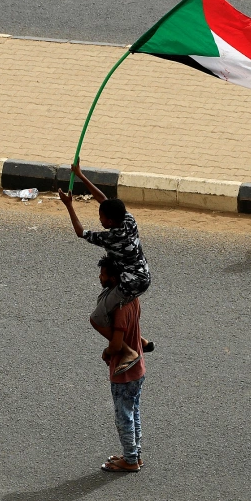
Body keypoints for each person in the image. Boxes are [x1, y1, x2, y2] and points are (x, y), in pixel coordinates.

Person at [59, 160, 153, 376]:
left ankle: (128, 351)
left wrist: (69, 205)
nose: (99, 219)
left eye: (101, 217)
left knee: (97, 317)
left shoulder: (111, 237)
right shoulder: (129, 220)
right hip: (144, 275)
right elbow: (104, 200)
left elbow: (80, 232)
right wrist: (81, 175)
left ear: (110, 222)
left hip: (130, 284)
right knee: (103, 299)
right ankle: (141, 341)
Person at [95, 257, 146, 473]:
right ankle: (135, 454)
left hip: (124, 372)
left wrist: (106, 352)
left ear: (114, 279)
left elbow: (116, 345)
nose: (100, 277)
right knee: (134, 412)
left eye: (104, 275)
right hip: (138, 368)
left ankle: (130, 460)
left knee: (123, 416)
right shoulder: (133, 299)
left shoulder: (119, 308)